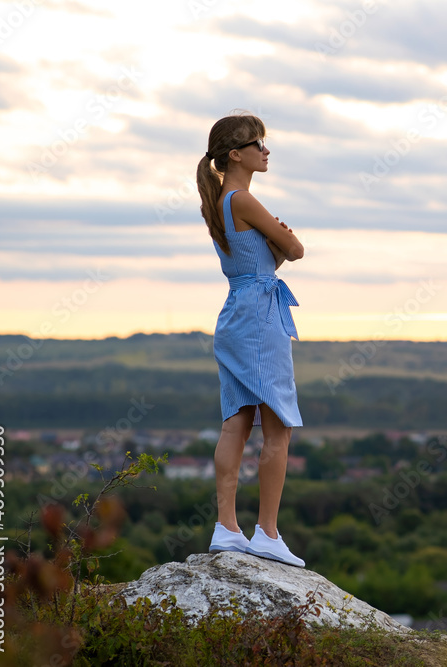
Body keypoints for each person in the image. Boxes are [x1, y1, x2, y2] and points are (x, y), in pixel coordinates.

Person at [196, 112, 307, 567]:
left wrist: (276, 243)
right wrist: (283, 237)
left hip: (237, 312)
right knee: (277, 426)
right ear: (235, 154)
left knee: (236, 421)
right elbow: (296, 251)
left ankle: (227, 528)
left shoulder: (220, 203)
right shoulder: (243, 200)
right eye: (257, 143)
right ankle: (268, 532)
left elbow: (260, 265)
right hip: (260, 318)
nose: (266, 149)